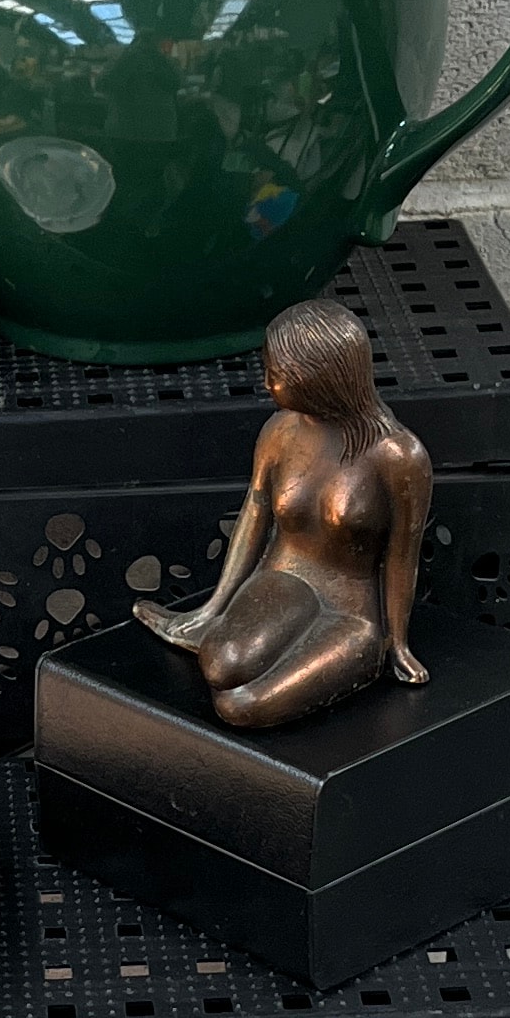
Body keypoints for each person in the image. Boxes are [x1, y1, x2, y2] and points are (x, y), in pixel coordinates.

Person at [133, 293, 433, 728]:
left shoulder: (397, 457)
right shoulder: (280, 433)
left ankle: (362, 658)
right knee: (221, 664)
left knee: (242, 706)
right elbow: (253, 518)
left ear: (321, 379)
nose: (267, 384)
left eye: (279, 375)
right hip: (284, 578)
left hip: (351, 610)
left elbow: (403, 556)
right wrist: (212, 609)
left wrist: (397, 644)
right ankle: (216, 631)